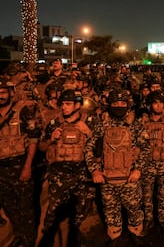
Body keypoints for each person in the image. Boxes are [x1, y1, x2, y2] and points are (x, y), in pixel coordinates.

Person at [85, 88, 145, 247]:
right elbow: (89, 148)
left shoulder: (135, 124)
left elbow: (145, 148)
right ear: (109, 104)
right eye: (115, 103)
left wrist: (138, 169)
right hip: (107, 180)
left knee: (134, 211)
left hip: (130, 179)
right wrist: (95, 170)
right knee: (111, 214)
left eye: (123, 103)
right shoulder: (101, 124)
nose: (119, 105)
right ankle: (115, 238)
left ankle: (135, 234)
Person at [40, 89, 94, 246]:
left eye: (68, 104)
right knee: (53, 213)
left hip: (82, 175)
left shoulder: (89, 121)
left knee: (81, 209)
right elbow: (41, 147)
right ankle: (48, 238)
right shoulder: (53, 123)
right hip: (59, 176)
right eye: (62, 104)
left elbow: (100, 149)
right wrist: (51, 139)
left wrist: (88, 132)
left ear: (77, 105)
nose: (64, 107)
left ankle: (73, 235)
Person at [0, 77, 42, 246]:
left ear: (10, 93)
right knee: (9, 206)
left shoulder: (22, 111)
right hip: (1, 170)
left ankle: (29, 240)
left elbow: (33, 139)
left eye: (3, 92)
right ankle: (19, 233)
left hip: (20, 165)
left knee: (26, 208)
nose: (0, 96)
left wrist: (27, 167)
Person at [139, 90, 164, 239]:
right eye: (155, 103)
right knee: (147, 196)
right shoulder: (141, 122)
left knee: (163, 196)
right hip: (147, 166)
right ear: (149, 105)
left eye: (160, 102)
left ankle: (162, 220)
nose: (158, 105)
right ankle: (148, 220)